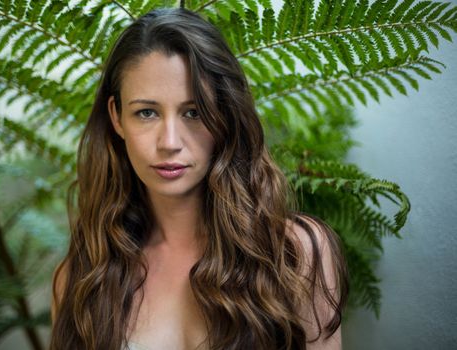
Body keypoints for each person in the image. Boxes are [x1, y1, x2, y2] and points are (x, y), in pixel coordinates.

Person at [49, 7, 348, 350]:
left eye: (193, 112)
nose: (170, 142)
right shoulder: (81, 280)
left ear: (225, 115)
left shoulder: (294, 254)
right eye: (146, 113)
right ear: (116, 117)